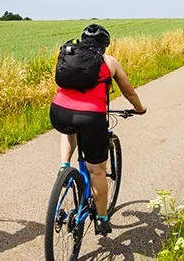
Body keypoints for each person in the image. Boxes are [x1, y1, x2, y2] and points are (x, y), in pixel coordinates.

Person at [49, 24, 146, 235]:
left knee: (70, 129)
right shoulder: (108, 61)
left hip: (58, 112)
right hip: (91, 118)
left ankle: (64, 165)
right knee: (97, 171)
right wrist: (139, 108)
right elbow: (128, 91)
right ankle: (102, 218)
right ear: (104, 45)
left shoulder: (69, 54)